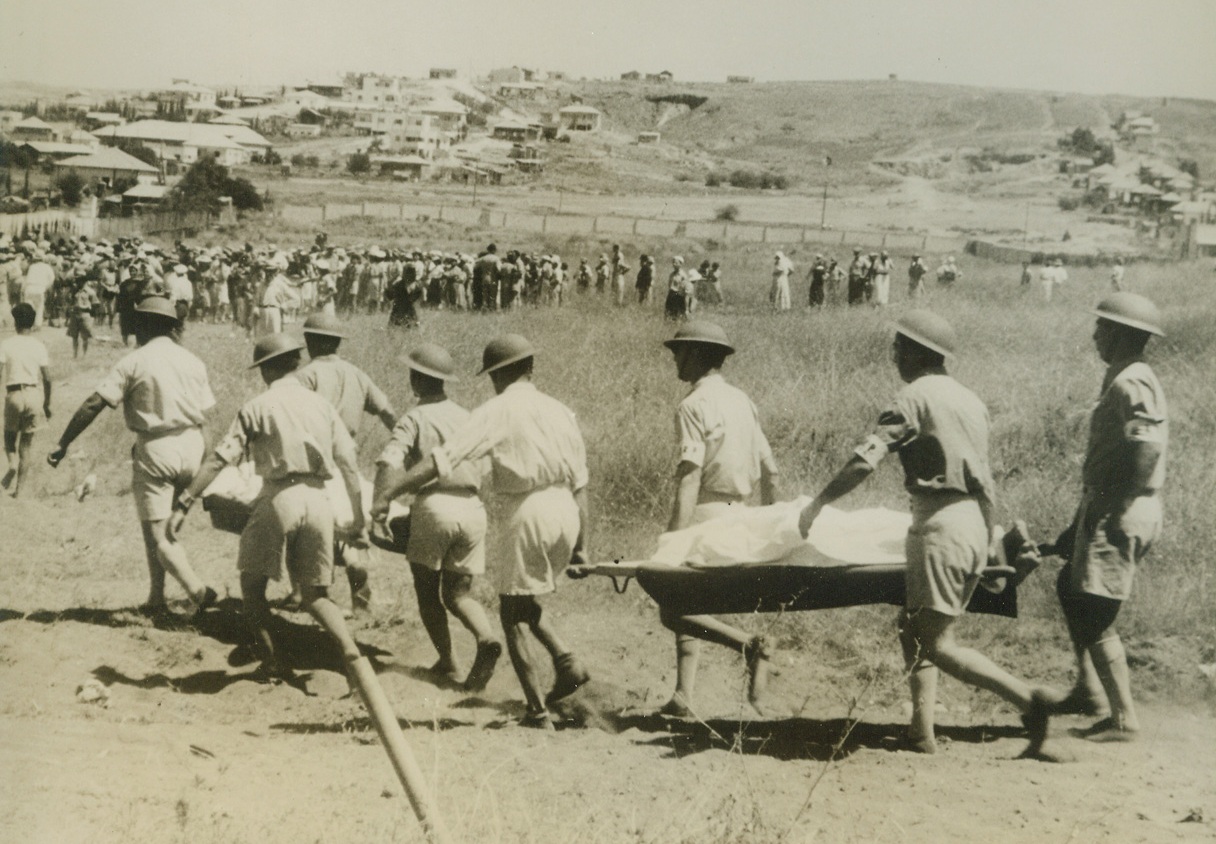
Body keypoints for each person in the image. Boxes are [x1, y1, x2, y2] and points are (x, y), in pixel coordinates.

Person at [797, 310, 1056, 758]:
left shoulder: (912, 398)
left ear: (917, 352)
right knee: (912, 626)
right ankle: (921, 732)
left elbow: (864, 460)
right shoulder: (970, 400)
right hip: (973, 519)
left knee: (936, 642)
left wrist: (818, 503)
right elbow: (986, 478)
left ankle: (1027, 699)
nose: (895, 355)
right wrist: (990, 540)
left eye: (900, 347)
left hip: (941, 524)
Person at [378, 334, 591, 729]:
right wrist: (582, 547)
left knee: (510, 612)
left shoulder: (498, 409)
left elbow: (443, 459)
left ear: (496, 375)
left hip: (528, 510)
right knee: (525, 601)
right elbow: (581, 484)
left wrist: (392, 491)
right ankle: (566, 662)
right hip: (567, 510)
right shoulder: (561, 410)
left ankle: (536, 711)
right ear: (530, 367)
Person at [168, 335, 369, 682]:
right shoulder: (322, 406)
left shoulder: (258, 406)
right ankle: (352, 657)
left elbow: (219, 460)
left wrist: (185, 501)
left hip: (279, 496)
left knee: (252, 587)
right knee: (316, 595)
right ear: (295, 364)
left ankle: (274, 662)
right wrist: (359, 519)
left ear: (266, 370)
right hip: (320, 498)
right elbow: (349, 466)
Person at [1045, 293, 1167, 742]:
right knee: (1069, 585)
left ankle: (1123, 719)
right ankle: (1088, 689)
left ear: (1121, 334)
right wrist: (1081, 519)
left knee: (1094, 612)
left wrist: (1113, 506)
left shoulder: (1134, 381)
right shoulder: (1121, 377)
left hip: (1123, 507)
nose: (1095, 335)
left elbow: (1146, 450)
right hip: (1107, 505)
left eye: (1103, 327)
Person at [48, 297, 217, 616]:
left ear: (144, 325)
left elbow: (93, 404)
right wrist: (207, 463)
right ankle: (156, 598)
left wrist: (63, 442)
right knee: (161, 526)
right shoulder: (192, 361)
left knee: (158, 532)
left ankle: (197, 589)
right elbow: (207, 417)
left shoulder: (135, 361)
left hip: (156, 448)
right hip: (193, 445)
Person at [659, 321, 780, 718]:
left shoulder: (693, 405)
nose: (675, 359)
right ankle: (682, 695)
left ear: (695, 354)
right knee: (686, 601)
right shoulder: (742, 401)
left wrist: (673, 538)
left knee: (673, 604)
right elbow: (770, 470)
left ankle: (748, 646)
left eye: (679, 352)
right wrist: (768, 522)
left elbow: (690, 475)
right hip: (742, 514)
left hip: (709, 513)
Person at [371, 344, 503, 691]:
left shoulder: (414, 418)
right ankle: (486, 635)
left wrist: (381, 505)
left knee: (427, 592)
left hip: (434, 505)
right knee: (459, 593)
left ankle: (448, 662)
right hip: (472, 507)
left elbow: (390, 461)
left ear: (416, 379)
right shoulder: (467, 416)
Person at [288, 312, 397, 611]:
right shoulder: (357, 374)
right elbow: (388, 413)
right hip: (347, 457)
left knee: (302, 526)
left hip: (312, 461)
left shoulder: (305, 376)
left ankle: (300, 592)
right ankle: (356, 581)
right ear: (337, 343)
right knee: (347, 520)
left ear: (310, 342)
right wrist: (403, 442)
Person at [2, 303, 52, 498]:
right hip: (33, 394)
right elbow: (47, 378)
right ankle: (19, 491)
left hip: (14, 393)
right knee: (27, 445)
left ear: (15, 322)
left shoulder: (6, 344)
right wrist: (47, 404)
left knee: (9, 436)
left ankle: (12, 464)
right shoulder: (38, 345)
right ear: (32, 323)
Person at [67, 280, 101, 359]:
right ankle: (75, 355)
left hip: (85, 315)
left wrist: (90, 312)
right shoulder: (74, 290)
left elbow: (96, 303)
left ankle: (84, 355)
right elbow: (68, 300)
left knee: (85, 337)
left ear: (85, 281)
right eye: (77, 279)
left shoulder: (90, 291)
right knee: (74, 336)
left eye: (80, 279)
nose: (78, 282)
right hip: (74, 314)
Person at [22, 251, 55, 328]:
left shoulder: (32, 267)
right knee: (39, 307)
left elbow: (26, 278)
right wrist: (46, 287)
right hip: (40, 288)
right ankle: (37, 324)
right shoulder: (47, 267)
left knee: (29, 307)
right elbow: (52, 279)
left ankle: (28, 324)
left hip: (29, 287)